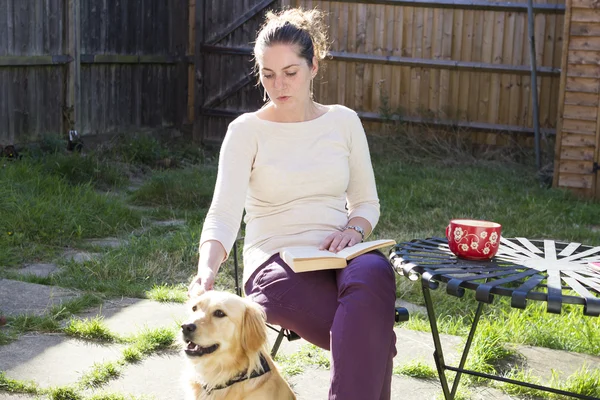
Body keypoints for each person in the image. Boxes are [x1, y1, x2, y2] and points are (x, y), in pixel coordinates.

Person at [188, 8, 397, 400]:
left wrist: (353, 230)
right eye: (268, 74)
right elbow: (224, 213)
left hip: (342, 254)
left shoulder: (344, 122)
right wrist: (206, 271)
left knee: (374, 273)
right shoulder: (246, 131)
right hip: (276, 263)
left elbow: (367, 203)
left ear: (314, 64)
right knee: (373, 340)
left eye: (290, 72)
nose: (278, 85)